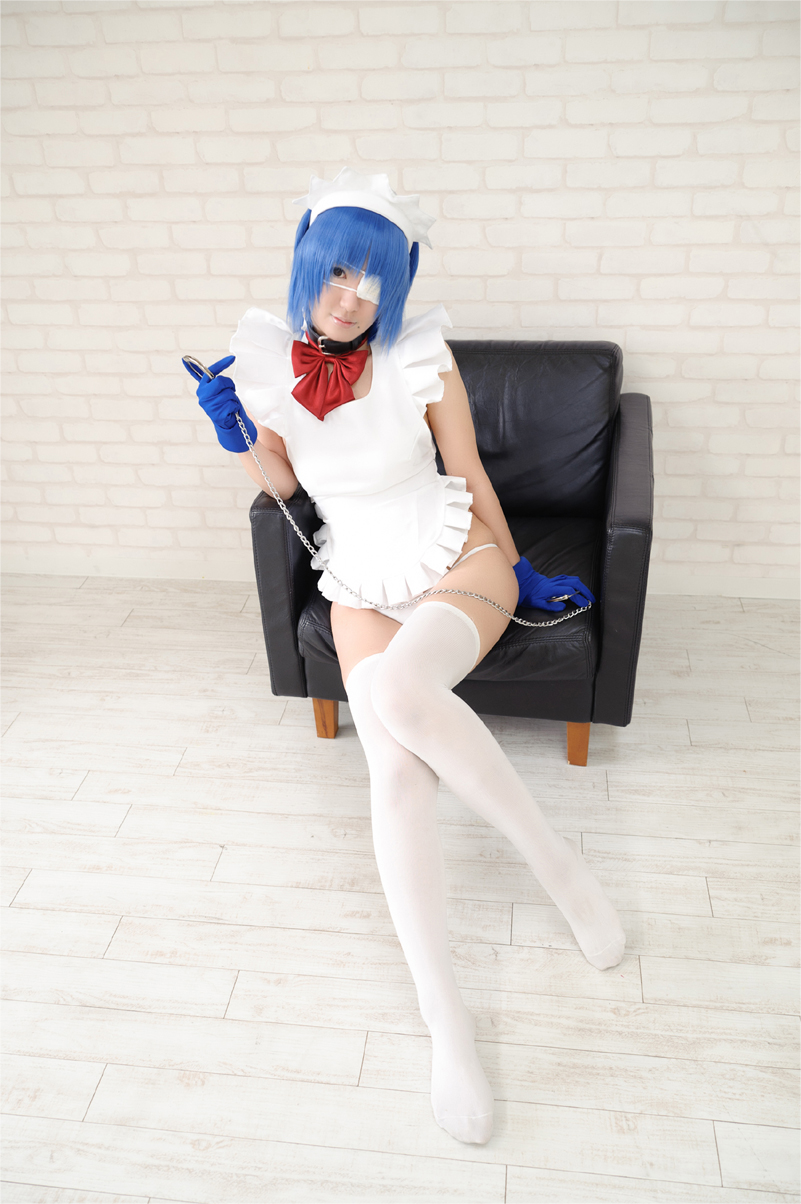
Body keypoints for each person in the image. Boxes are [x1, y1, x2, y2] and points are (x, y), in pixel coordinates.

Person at [184, 167, 625, 1147]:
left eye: (375, 279)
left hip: (457, 551)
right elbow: (286, 486)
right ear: (306, 263)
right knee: (392, 768)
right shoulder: (265, 363)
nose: (353, 297)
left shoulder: (423, 357)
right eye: (338, 272)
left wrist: (518, 566)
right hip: (358, 577)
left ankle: (558, 869)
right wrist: (237, 433)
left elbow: (465, 471)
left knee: (401, 689)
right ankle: (446, 1019)